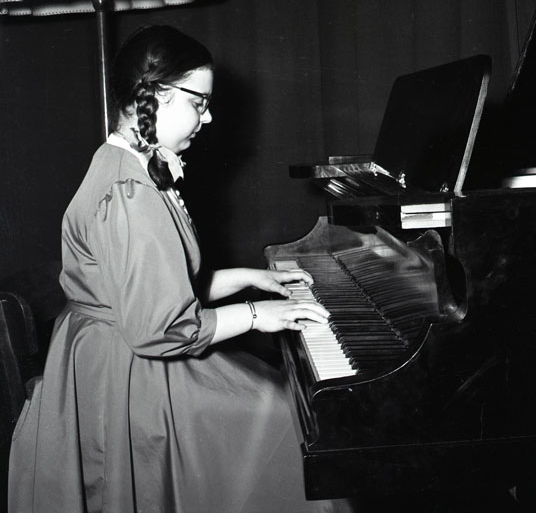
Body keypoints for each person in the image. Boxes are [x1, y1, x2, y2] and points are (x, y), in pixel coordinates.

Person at [8, 25, 343, 513]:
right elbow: (161, 327)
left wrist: (252, 279)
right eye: (198, 102)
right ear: (154, 96)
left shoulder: (125, 163)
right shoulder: (130, 193)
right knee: (284, 418)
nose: (208, 117)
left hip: (117, 353)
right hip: (127, 375)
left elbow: (163, 287)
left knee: (278, 399)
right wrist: (257, 315)